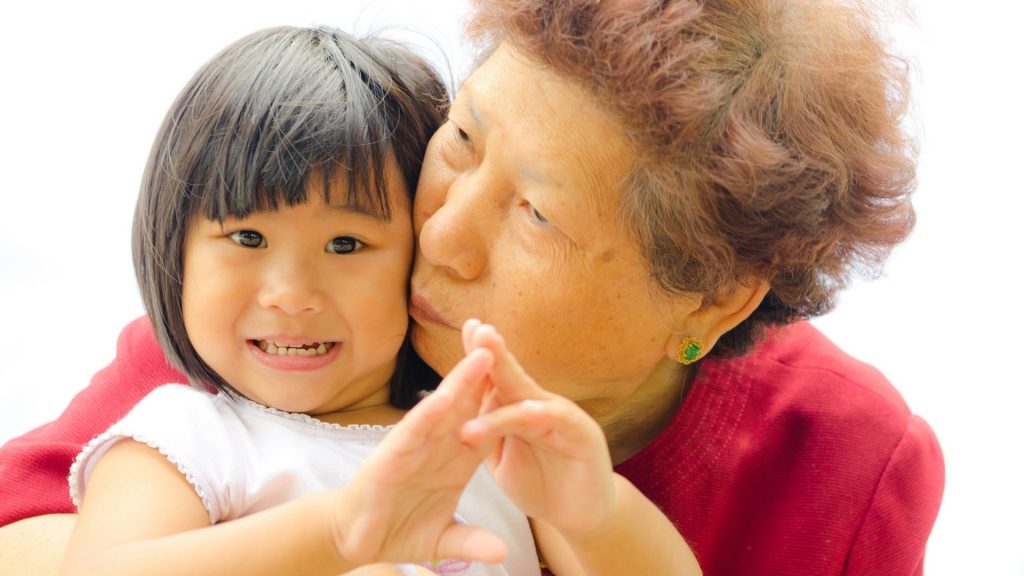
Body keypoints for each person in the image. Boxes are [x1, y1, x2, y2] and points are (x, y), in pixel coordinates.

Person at [0, 1, 944, 575]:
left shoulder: (846, 458)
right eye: (461, 140)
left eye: (536, 214)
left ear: (712, 300)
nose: (437, 235)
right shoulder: (299, 332)